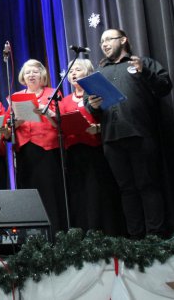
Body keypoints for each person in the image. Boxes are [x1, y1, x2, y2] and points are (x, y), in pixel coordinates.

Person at [86, 29, 172, 238]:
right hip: (111, 138)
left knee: (148, 185)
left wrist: (145, 72)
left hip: (140, 134)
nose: (104, 44)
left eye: (109, 39)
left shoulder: (141, 63)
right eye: (102, 41)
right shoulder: (100, 72)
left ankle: (155, 237)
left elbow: (164, 87)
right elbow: (93, 110)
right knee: (126, 189)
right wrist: (93, 105)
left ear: (123, 40)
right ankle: (135, 238)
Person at [59, 58, 124, 235]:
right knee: (81, 194)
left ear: (88, 73)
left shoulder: (98, 94)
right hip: (74, 152)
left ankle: (106, 232)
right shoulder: (63, 101)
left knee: (100, 192)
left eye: (77, 70)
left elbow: (113, 117)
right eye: (70, 71)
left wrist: (99, 128)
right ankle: (85, 233)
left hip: (97, 149)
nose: (73, 73)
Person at [9, 59, 67, 234]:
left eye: (35, 71)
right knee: (28, 194)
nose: (31, 75)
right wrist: (18, 119)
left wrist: (47, 112)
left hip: (48, 149)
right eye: (27, 72)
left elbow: (61, 123)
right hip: (25, 150)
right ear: (23, 77)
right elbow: (8, 125)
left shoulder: (52, 93)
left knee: (49, 192)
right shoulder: (16, 97)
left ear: (42, 75)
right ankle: (30, 235)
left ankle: (55, 233)